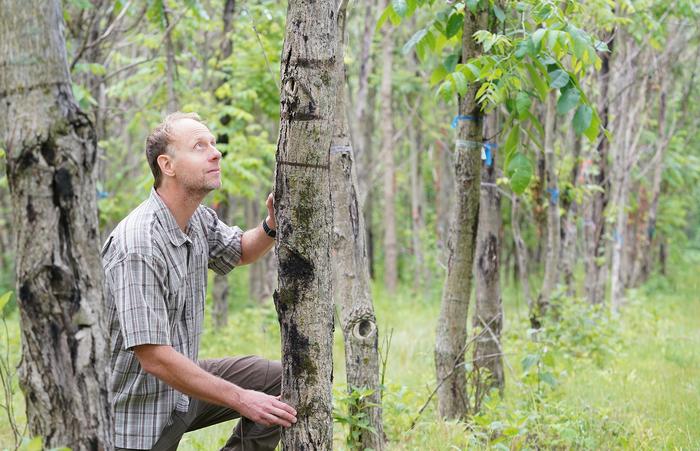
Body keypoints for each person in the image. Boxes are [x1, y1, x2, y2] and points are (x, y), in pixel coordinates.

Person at [101, 112, 296, 451]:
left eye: (214, 144)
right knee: (251, 395)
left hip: (178, 394)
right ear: (168, 165)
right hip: (136, 422)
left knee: (277, 380)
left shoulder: (196, 220)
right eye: (199, 146)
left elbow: (240, 250)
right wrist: (240, 398)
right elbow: (154, 357)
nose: (215, 153)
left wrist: (272, 225)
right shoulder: (139, 244)